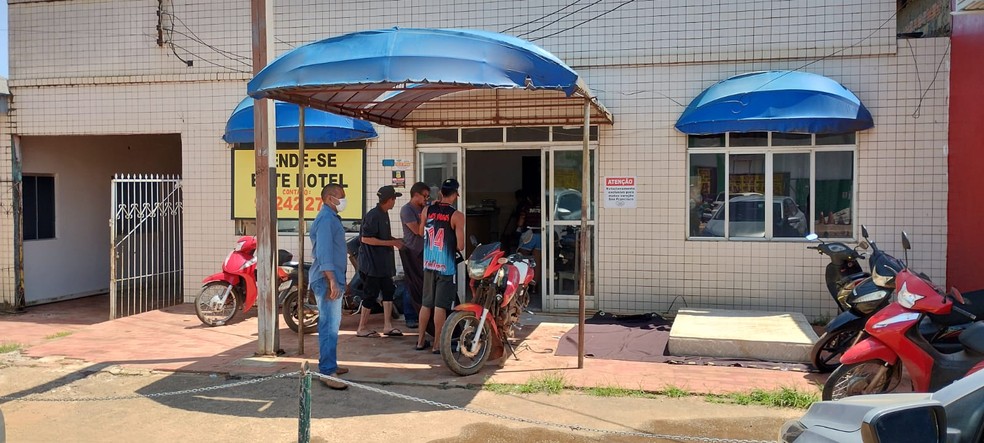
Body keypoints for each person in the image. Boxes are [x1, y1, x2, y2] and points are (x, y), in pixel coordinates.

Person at [416, 178, 465, 353]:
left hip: (428, 263)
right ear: (454, 195)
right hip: (446, 266)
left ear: (441, 193)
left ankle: (420, 341)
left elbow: (421, 232)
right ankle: (437, 344)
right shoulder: (457, 215)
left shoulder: (427, 210)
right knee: (440, 306)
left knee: (426, 304)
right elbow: (460, 246)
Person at [308, 183, 349, 390]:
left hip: (332, 277)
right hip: (326, 279)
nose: (344, 200)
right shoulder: (325, 219)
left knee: (333, 325)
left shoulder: (331, 217)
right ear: (331, 197)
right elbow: (324, 252)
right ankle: (327, 371)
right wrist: (332, 279)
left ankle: (330, 364)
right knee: (329, 326)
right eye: (341, 196)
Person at [355, 185, 404, 338]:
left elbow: (383, 237)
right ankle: (361, 327)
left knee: (389, 292)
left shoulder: (384, 214)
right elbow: (366, 239)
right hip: (372, 265)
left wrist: (396, 240)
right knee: (370, 295)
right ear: (389, 199)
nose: (395, 201)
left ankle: (388, 326)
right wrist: (391, 243)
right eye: (394, 198)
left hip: (383, 265)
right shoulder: (373, 215)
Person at [398, 182, 429, 330]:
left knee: (423, 284)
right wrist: (424, 217)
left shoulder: (424, 209)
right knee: (410, 284)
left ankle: (421, 314)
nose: (426, 199)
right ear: (415, 195)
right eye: (424, 196)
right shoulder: (407, 210)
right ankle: (410, 316)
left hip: (425, 251)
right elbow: (418, 231)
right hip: (412, 251)